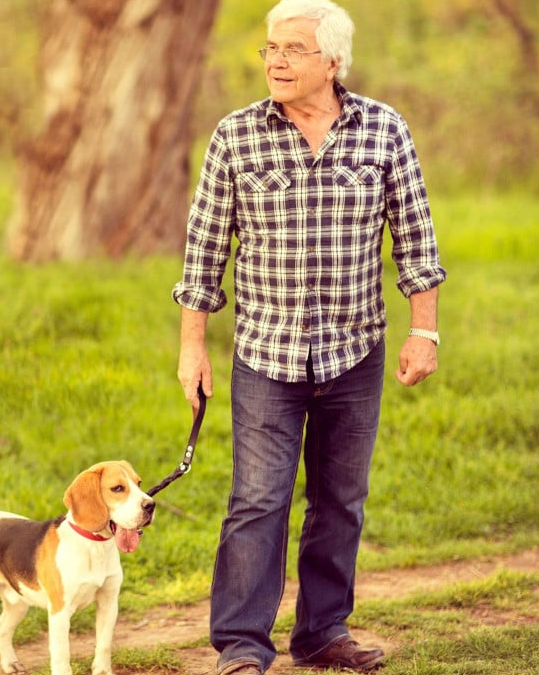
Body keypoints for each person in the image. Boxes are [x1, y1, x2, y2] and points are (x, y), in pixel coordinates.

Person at [172, 1, 446, 673]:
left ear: (333, 61)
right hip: (266, 351)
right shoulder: (235, 136)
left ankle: (322, 632)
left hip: (355, 348)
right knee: (258, 500)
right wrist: (192, 346)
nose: (277, 60)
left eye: (293, 49)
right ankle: (241, 643)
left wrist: (425, 331)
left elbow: (415, 242)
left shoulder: (384, 130)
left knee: (340, 501)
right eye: (270, 48)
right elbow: (204, 252)